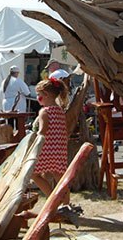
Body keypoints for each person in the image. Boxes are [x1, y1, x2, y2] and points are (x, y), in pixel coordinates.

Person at [31, 77, 70, 205]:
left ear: (46, 95)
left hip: (46, 149)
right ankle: (66, 203)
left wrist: (34, 142)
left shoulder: (44, 112)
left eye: (39, 95)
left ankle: (52, 198)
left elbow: (42, 131)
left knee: (34, 174)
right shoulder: (60, 111)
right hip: (59, 148)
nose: (37, 98)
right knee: (60, 176)